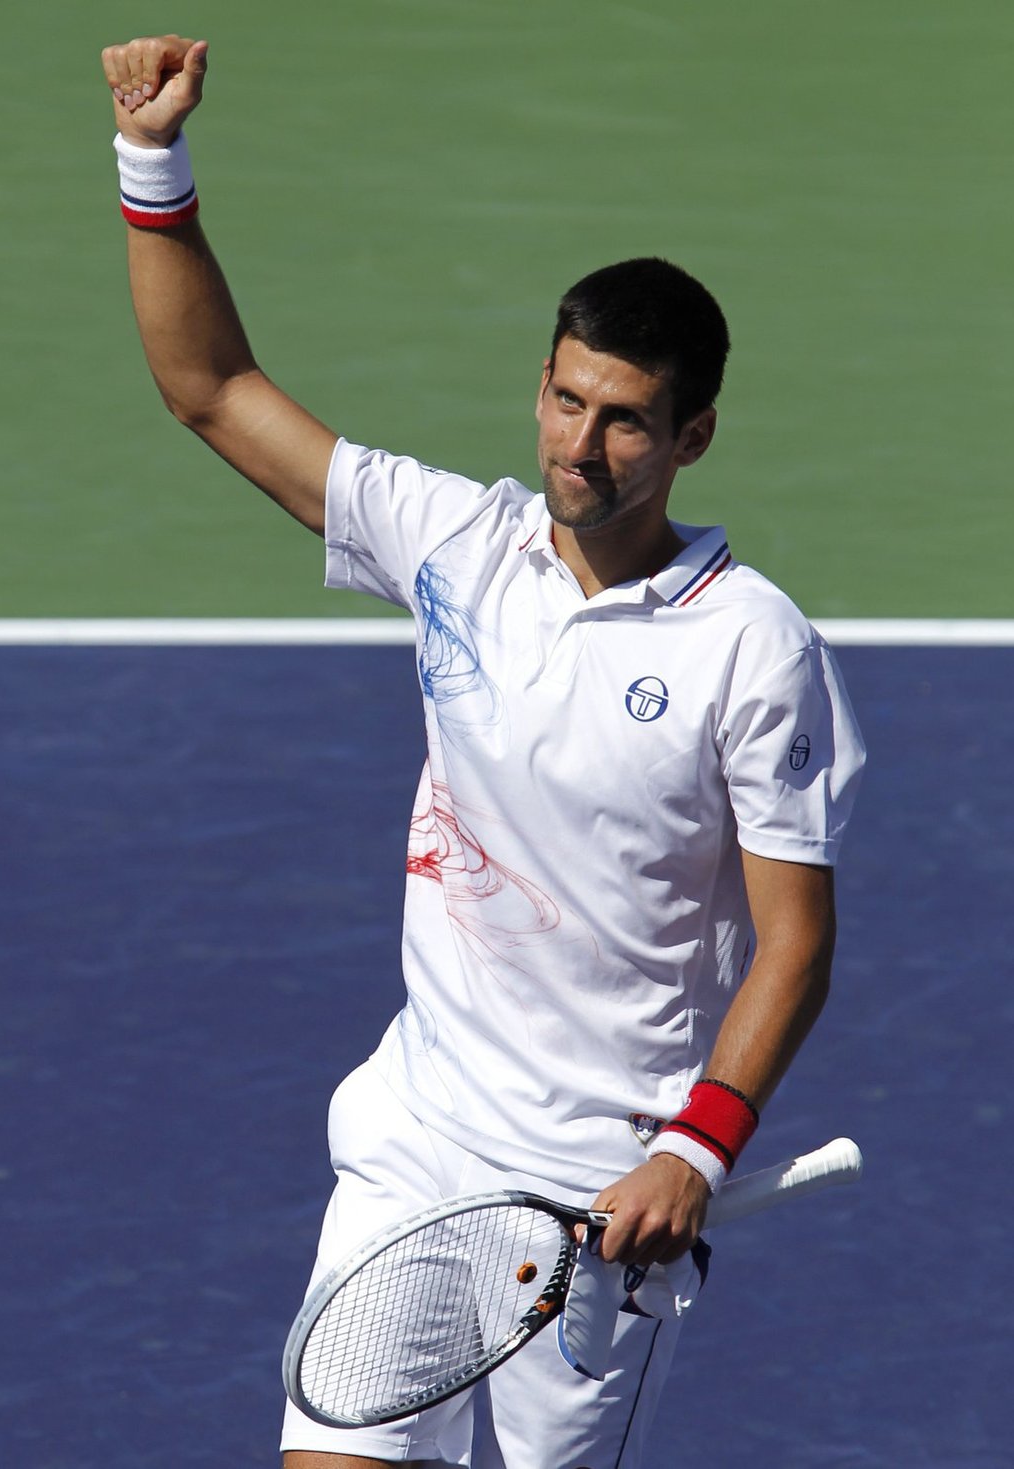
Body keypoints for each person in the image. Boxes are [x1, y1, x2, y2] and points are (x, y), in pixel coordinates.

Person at [101, 34, 865, 1469]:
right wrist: (155, 159)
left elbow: (793, 944)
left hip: (601, 1183)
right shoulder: (456, 545)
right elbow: (209, 388)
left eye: (625, 419)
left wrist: (692, 1147)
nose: (582, 445)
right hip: (417, 1143)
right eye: (565, 400)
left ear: (691, 433)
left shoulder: (753, 648)